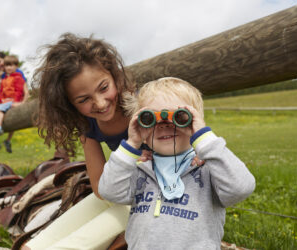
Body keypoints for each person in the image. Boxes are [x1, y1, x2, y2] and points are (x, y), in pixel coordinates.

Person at [22, 34, 202, 249]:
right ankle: (34, 245)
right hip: (125, 188)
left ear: (114, 76)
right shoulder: (88, 126)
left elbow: (188, 142)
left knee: (124, 211)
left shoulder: (144, 106)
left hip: (165, 193)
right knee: (98, 203)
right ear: (69, 104)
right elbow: (100, 188)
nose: (99, 103)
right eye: (83, 100)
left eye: (104, 88)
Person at [98, 77, 256, 249]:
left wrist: (205, 140)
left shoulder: (209, 169)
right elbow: (109, 191)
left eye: (179, 117)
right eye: (150, 118)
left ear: (195, 122)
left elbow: (241, 187)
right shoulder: (140, 170)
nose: (164, 125)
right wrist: (131, 145)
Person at [0, 55, 29, 157]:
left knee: (1, 111)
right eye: (7, 65)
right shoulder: (4, 79)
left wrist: (18, 102)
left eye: (11, 65)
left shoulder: (18, 77)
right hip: (4, 101)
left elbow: (19, 91)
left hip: (13, 101)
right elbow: (1, 93)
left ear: (16, 66)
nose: (8, 68)